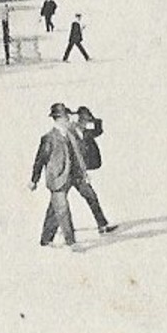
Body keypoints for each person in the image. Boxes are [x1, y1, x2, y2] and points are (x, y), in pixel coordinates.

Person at [29, 102, 85, 248]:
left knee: (54, 210)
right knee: (63, 210)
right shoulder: (49, 138)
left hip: (72, 177)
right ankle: (71, 242)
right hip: (57, 179)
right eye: (67, 118)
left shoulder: (70, 135)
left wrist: (83, 173)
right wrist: (34, 180)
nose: (69, 120)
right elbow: (40, 159)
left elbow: (77, 155)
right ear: (59, 119)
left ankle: (46, 239)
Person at [72, 105, 117, 234]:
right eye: (84, 121)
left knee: (91, 197)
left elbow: (98, 131)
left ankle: (102, 225)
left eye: (87, 121)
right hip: (70, 173)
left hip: (79, 173)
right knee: (57, 203)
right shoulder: (70, 133)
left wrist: (94, 120)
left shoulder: (85, 133)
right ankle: (50, 233)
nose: (86, 124)